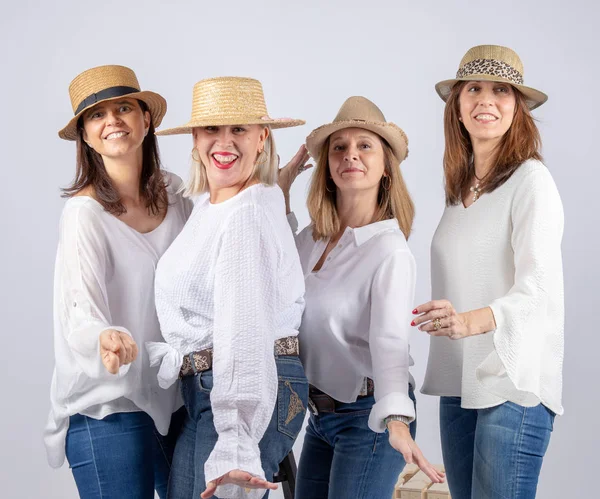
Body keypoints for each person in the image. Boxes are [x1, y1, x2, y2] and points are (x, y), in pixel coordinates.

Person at [413, 45, 564, 499]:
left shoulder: (531, 181)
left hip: (511, 382)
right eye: (473, 89)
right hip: (460, 382)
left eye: (501, 91)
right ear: (456, 106)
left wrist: (468, 321)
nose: (485, 101)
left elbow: (537, 285)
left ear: (517, 107)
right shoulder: (459, 190)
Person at [147, 76, 308, 499]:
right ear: (195, 138)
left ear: (262, 138)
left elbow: (245, 327)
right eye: (212, 129)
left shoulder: (245, 212)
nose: (224, 142)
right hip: (219, 384)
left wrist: (235, 437)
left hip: (242, 381)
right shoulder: (215, 204)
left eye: (239, 129)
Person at [279, 96, 444, 499]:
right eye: (339, 147)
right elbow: (274, 272)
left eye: (364, 145)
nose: (350, 155)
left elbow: (389, 339)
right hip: (318, 416)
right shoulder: (312, 240)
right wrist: (279, 191)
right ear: (328, 168)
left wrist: (397, 420)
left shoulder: (389, 249)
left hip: (368, 416)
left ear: (385, 168)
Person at [45, 65, 193, 498]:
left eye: (124, 107)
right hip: (108, 406)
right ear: (86, 136)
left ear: (147, 120)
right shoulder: (83, 215)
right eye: (96, 115)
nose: (112, 120)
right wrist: (106, 336)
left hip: (177, 397)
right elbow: (81, 311)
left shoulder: (179, 199)